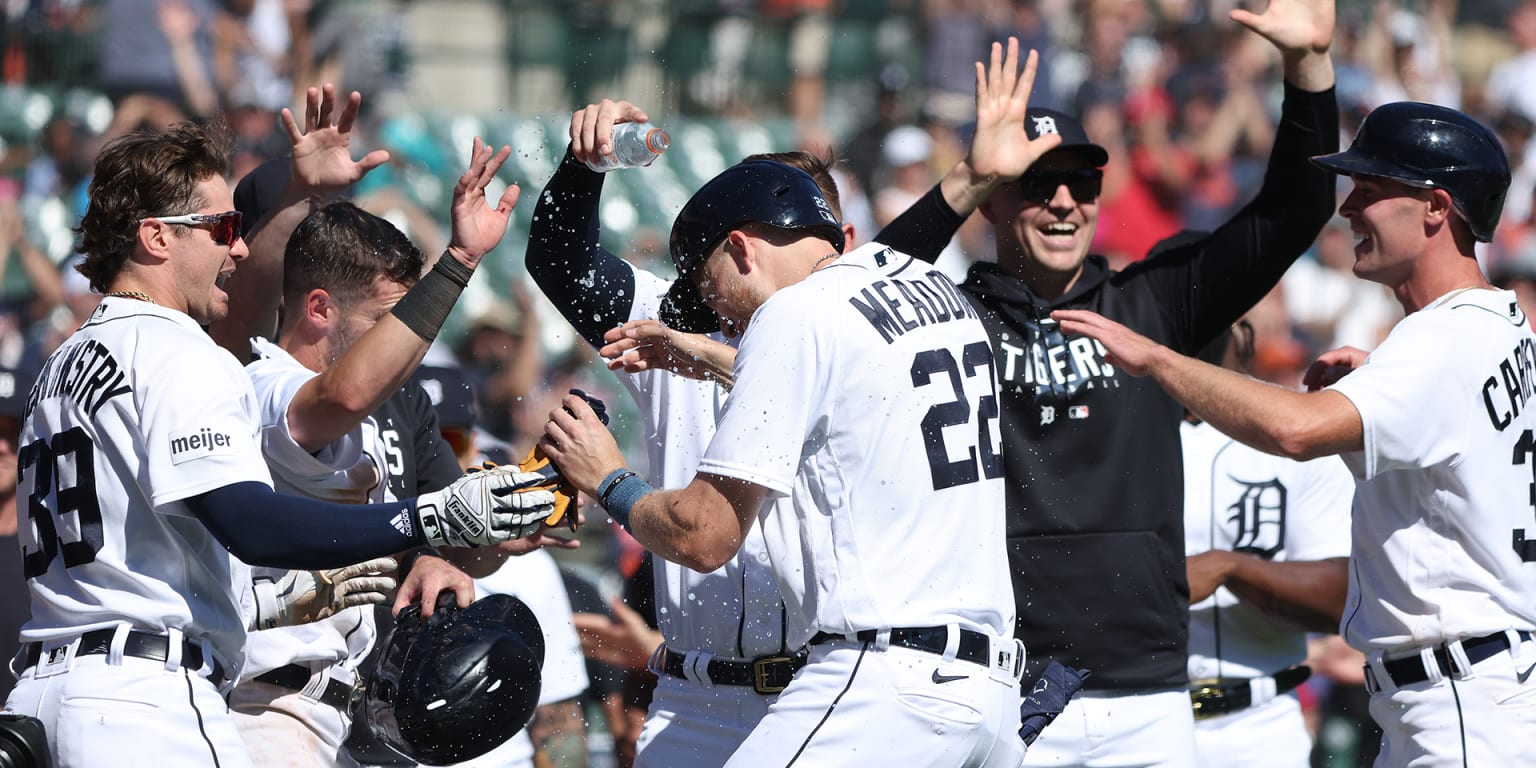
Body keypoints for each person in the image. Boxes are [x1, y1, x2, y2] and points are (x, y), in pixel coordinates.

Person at [526, 39, 1051, 767]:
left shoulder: (825, 316)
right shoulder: (671, 325)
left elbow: (821, 326)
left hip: (834, 676)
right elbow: (559, 259)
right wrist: (584, 167)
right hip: (704, 692)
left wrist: (613, 476)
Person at [847, 3, 1335, 765]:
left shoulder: (1154, 302)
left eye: (1082, 181)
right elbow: (855, 297)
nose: (1065, 202)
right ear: (998, 197)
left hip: (1148, 693)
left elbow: (1294, 210)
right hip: (1003, 688)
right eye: (1037, 184)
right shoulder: (948, 316)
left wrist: (1308, 69)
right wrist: (967, 177)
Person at [3, 117, 556, 767]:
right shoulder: (177, 351)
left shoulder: (69, 359)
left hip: (49, 687)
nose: (236, 252)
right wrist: (421, 518)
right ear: (156, 236)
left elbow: (144, 547)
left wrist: (267, 599)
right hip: (147, 696)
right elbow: (250, 522)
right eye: (222, 230)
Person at [1054, 100, 1536, 765]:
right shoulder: (1497, 325)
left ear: (1435, 207)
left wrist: (1160, 359)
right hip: (1476, 688)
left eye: (1370, 190)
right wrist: (1383, 383)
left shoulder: (1443, 343)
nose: (1347, 209)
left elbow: (1293, 431)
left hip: (1464, 699)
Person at [1180, 318, 1353, 767]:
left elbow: (1340, 600)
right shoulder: (1118, 431)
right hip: (1138, 719)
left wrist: (1231, 569)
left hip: (1260, 725)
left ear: (1246, 333)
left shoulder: (1298, 432)